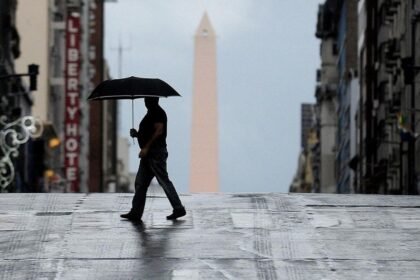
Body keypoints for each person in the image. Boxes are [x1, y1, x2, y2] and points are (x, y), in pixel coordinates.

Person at [121, 97, 186, 221]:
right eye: (145, 100)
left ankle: (178, 208)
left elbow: (158, 132)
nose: (145, 102)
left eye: (147, 100)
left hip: (155, 154)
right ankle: (136, 212)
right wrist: (137, 134)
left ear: (154, 101)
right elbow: (149, 132)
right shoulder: (151, 113)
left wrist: (146, 148)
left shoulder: (158, 112)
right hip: (148, 155)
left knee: (163, 181)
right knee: (140, 183)